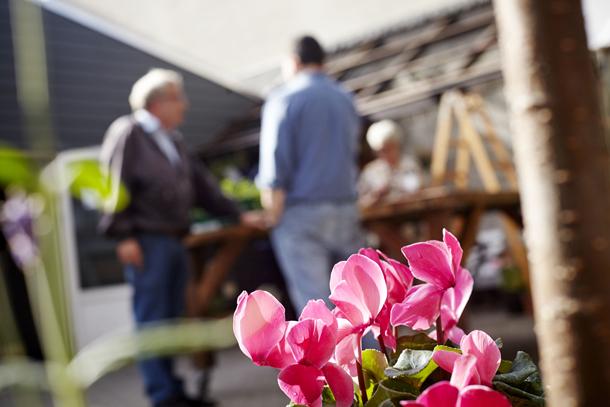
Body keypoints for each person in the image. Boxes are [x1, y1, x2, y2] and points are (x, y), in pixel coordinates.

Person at [99, 69, 257, 407]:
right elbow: (114, 187)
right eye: (178, 98)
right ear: (158, 102)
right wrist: (123, 234)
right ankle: (162, 396)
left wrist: (238, 213)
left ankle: (173, 390)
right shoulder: (129, 132)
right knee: (152, 319)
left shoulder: (173, 140)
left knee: (170, 318)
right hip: (145, 240)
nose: (184, 106)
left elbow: (203, 188)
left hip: (174, 239)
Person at [256, 36, 364, 313]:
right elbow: (353, 150)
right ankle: (373, 356)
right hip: (345, 207)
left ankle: (333, 359)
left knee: (317, 307)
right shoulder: (345, 98)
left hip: (301, 214)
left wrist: (272, 213)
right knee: (360, 302)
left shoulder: (284, 98)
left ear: (293, 62)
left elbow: (275, 165)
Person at [358, 119, 423, 207]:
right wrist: (376, 195)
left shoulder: (409, 165)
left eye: (389, 148)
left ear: (397, 145)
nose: (385, 154)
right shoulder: (371, 171)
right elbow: (360, 202)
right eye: (381, 151)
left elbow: (418, 192)